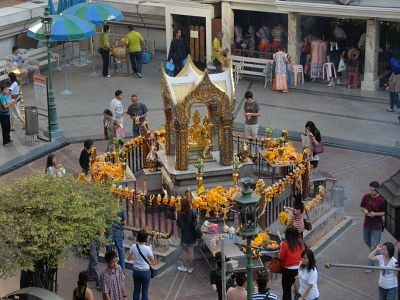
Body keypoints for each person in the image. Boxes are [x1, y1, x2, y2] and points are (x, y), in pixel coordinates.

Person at [360, 181, 385, 273]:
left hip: (377, 226)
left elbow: (385, 212)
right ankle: (379, 255)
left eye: (372, 190)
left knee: (373, 246)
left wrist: (375, 214)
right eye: (369, 189)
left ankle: (370, 267)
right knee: (367, 242)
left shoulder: (382, 200)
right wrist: (365, 210)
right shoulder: (366, 197)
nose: (369, 191)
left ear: (377, 190)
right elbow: (361, 206)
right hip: (367, 224)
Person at [127, 229, 155, 300]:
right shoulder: (148, 248)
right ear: (146, 238)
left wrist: (135, 257)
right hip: (145, 272)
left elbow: (128, 258)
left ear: (137, 237)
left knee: (136, 290)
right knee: (145, 292)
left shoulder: (133, 246)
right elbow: (153, 262)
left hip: (136, 271)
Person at [279, 226, 306, 300]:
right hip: (299, 271)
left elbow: (281, 258)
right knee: (299, 292)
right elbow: (303, 255)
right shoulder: (301, 243)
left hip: (287, 271)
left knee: (286, 292)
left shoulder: (284, 244)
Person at [177, 197, 198, 274]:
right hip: (192, 235)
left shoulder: (180, 214)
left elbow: (178, 226)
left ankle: (185, 266)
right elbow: (195, 223)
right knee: (191, 251)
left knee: (184, 251)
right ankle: (190, 268)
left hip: (184, 236)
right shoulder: (193, 212)